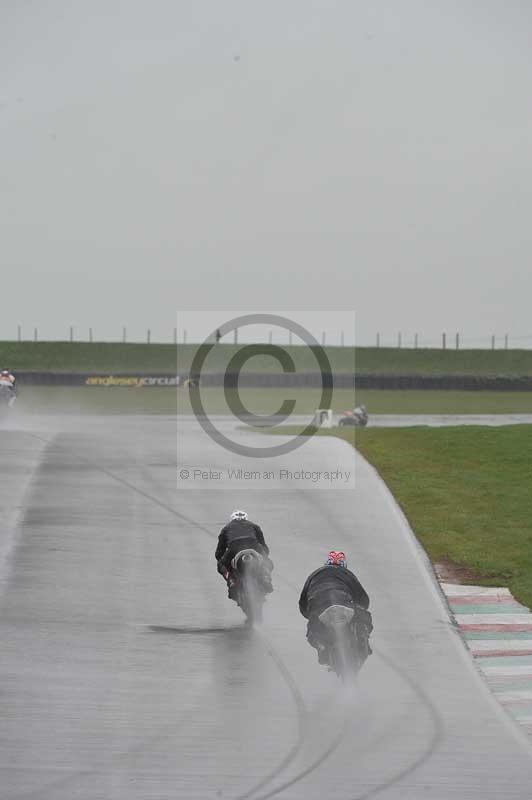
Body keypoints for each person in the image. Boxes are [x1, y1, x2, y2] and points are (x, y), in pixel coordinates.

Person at [299, 551, 372, 664]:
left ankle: (321, 647)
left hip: (319, 605)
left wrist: (310, 615)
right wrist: (360, 608)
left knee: (313, 631)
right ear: (344, 565)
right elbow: (363, 600)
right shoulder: (347, 574)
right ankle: (362, 638)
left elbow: (303, 604)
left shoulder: (314, 575)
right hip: (343, 602)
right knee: (364, 618)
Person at [215, 510, 273, 598]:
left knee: (221, 565)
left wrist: (222, 561)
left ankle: (232, 582)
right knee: (268, 562)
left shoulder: (226, 528)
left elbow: (219, 551)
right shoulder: (254, 526)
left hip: (234, 546)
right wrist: (265, 555)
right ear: (246, 518)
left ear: (232, 519)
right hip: (253, 544)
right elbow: (264, 547)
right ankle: (266, 578)